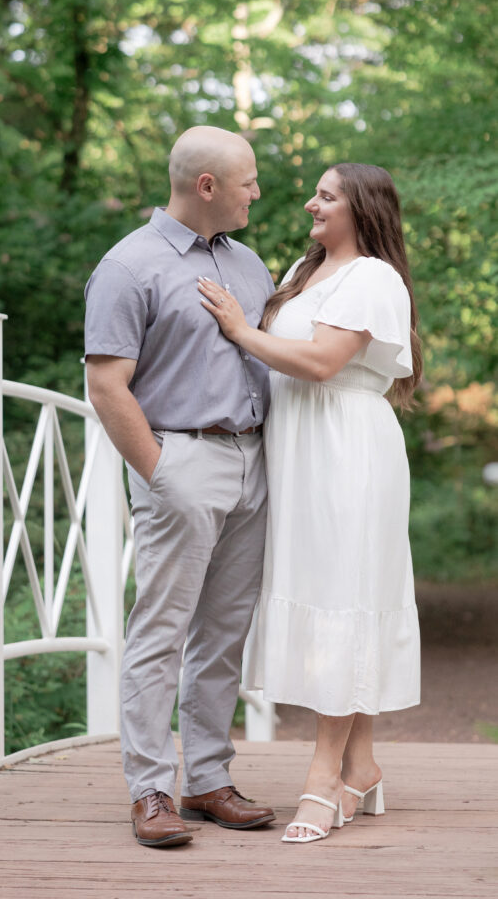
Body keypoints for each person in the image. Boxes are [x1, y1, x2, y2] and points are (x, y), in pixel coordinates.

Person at [198, 162, 422, 843]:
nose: (309, 203)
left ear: (362, 208)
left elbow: (322, 362)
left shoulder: (373, 278)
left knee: (343, 593)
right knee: (327, 591)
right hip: (298, 449)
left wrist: (240, 330)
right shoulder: (304, 267)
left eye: (325, 196)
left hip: (347, 449)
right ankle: (362, 764)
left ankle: (324, 774)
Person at [84, 125, 277, 848]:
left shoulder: (249, 264)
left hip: (254, 462)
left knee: (222, 634)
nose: (256, 191)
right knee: (160, 632)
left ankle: (206, 778)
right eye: (247, 180)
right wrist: (162, 476)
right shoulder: (127, 267)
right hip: (182, 463)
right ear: (207, 187)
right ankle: (149, 791)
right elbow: (106, 386)